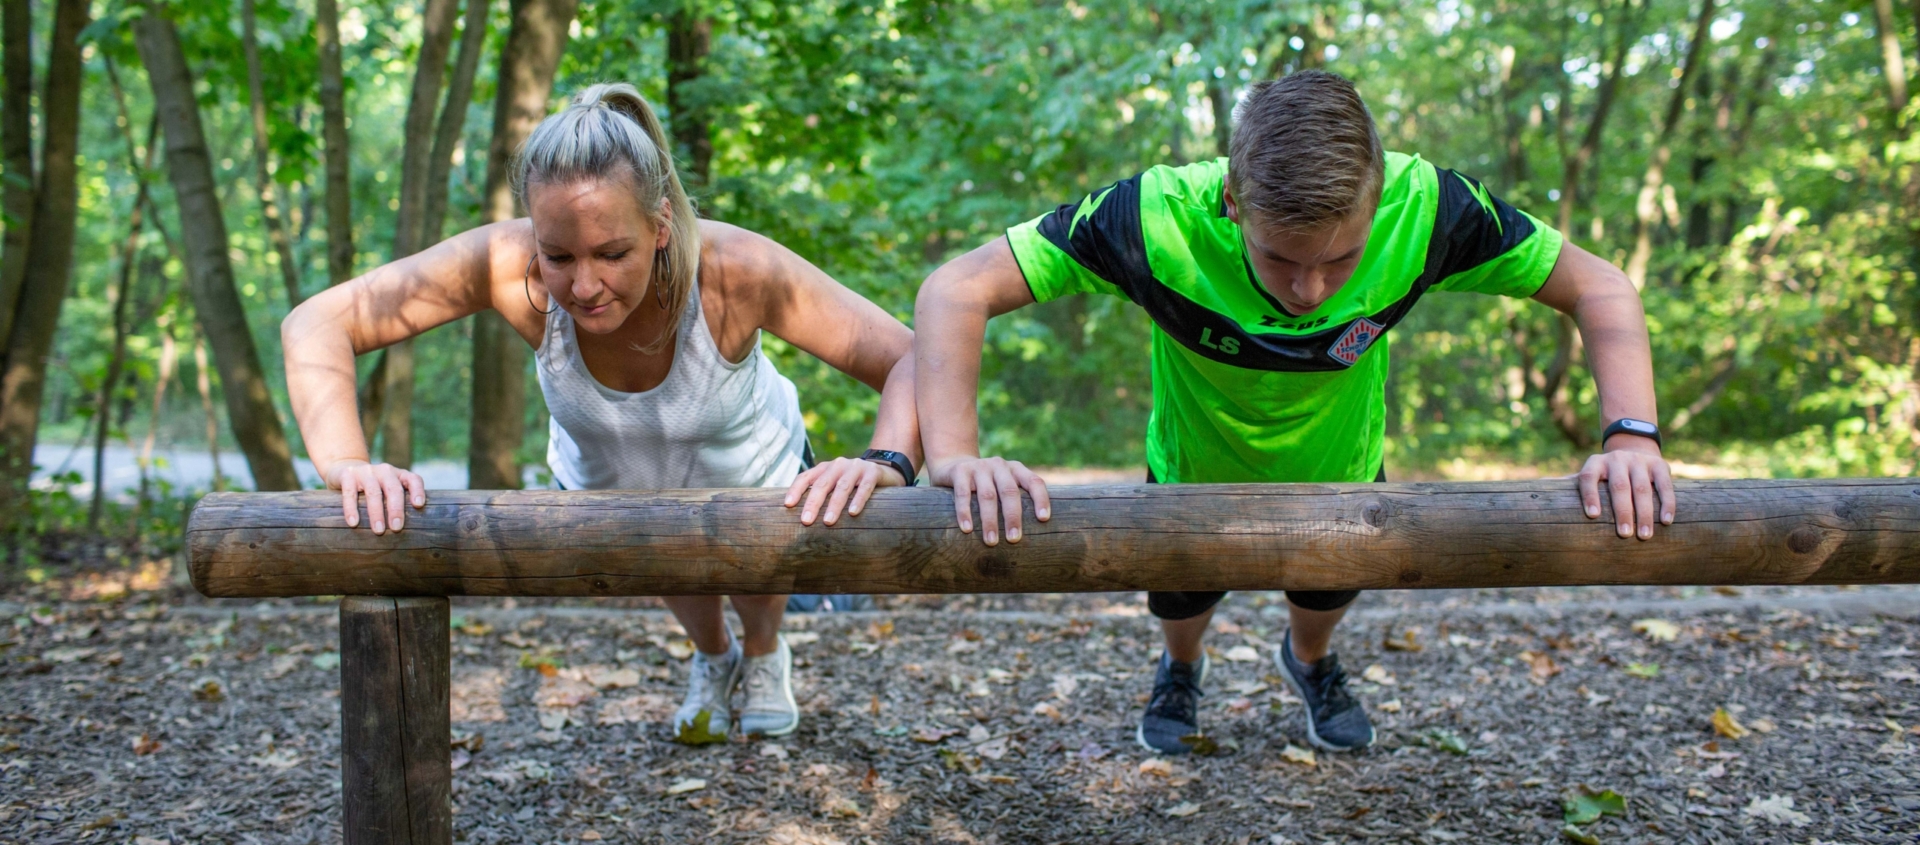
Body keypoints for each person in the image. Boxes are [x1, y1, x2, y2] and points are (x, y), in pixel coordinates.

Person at [911, 70, 1676, 755]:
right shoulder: (1151, 218)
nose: (1309, 290)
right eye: (1280, 258)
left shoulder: (1431, 207)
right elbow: (957, 287)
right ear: (1233, 201)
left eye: (1341, 259)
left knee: (1325, 594)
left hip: (1341, 476)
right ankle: (1181, 669)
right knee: (1180, 595)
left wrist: (1632, 435)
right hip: (1189, 477)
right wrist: (951, 454)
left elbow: (1599, 284)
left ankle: (1309, 661)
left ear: (1378, 200)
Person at [282, 83, 922, 745]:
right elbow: (316, 323)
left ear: (662, 224)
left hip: (756, 478)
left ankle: (762, 652)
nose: (583, 286)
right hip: (620, 485)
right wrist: (347, 463)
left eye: (612, 254)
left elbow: (908, 356)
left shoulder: (737, 271)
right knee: (667, 551)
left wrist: (889, 461)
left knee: (752, 571)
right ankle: (714, 654)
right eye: (559, 257)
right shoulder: (508, 265)